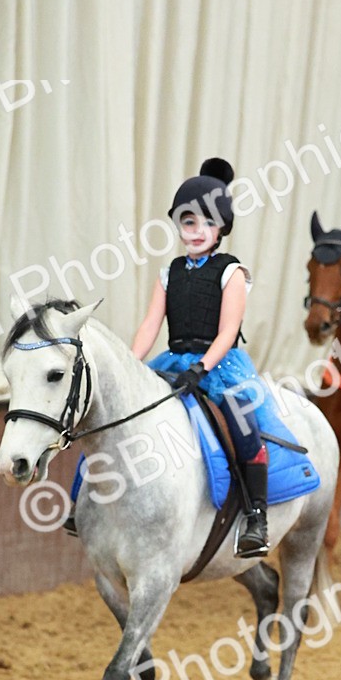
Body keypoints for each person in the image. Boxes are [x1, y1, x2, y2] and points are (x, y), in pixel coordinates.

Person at [131, 157, 270, 557]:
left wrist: (203, 367)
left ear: (221, 228)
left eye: (206, 223)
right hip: (173, 360)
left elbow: (228, 331)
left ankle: (255, 517)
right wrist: (131, 364)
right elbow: (149, 326)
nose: (196, 232)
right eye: (188, 222)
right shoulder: (169, 273)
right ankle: (85, 501)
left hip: (219, 366)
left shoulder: (233, 273)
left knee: (244, 424)